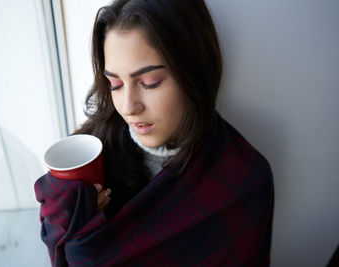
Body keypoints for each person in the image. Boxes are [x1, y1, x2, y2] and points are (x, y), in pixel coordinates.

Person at [34, 0, 274, 266]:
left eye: (150, 83)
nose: (128, 107)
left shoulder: (244, 181)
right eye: (114, 84)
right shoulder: (91, 155)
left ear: (194, 72)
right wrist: (66, 214)